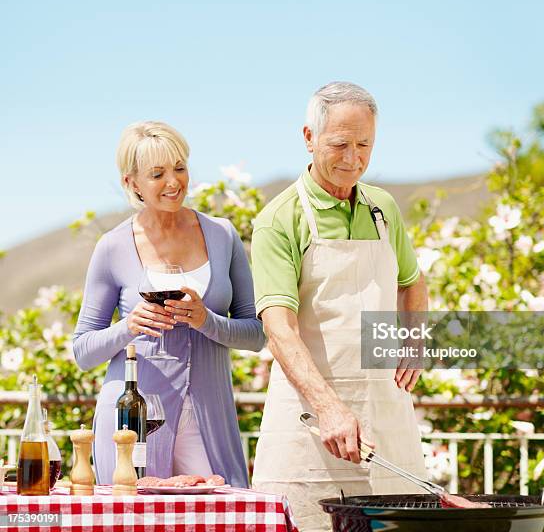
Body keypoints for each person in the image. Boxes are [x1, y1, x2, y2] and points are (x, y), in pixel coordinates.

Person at [251, 82, 428, 530]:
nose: (353, 157)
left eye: (364, 144)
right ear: (309, 138)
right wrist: (329, 408)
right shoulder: (280, 218)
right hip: (308, 421)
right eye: (340, 144)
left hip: (385, 413)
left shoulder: (382, 209)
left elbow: (413, 282)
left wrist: (414, 341)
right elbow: (280, 329)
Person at [73, 121, 265, 486]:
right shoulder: (112, 247)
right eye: (157, 174)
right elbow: (83, 351)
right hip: (134, 424)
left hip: (209, 415)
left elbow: (256, 334)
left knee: (222, 514)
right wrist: (128, 326)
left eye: (180, 168)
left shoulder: (223, 235)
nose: (174, 182)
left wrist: (206, 320)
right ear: (131, 183)